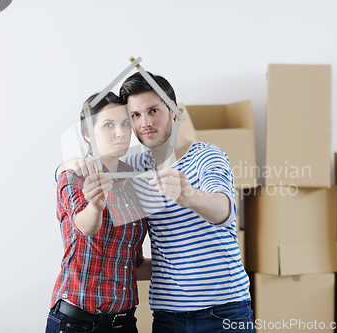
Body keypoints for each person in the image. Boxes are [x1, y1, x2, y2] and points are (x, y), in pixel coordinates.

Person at [62, 73, 254, 333]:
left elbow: (224, 210)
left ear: (174, 111)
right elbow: (80, 177)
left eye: (153, 110)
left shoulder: (207, 156)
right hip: (168, 314)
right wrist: (66, 165)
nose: (146, 122)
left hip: (221, 310)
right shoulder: (136, 169)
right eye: (135, 115)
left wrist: (189, 196)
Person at [47, 92, 151, 333]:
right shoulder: (74, 174)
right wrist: (95, 206)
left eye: (125, 123)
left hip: (125, 323)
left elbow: (130, 263)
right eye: (108, 125)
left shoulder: (134, 180)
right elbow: (84, 225)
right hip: (76, 323)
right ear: (87, 134)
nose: (120, 132)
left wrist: (188, 266)